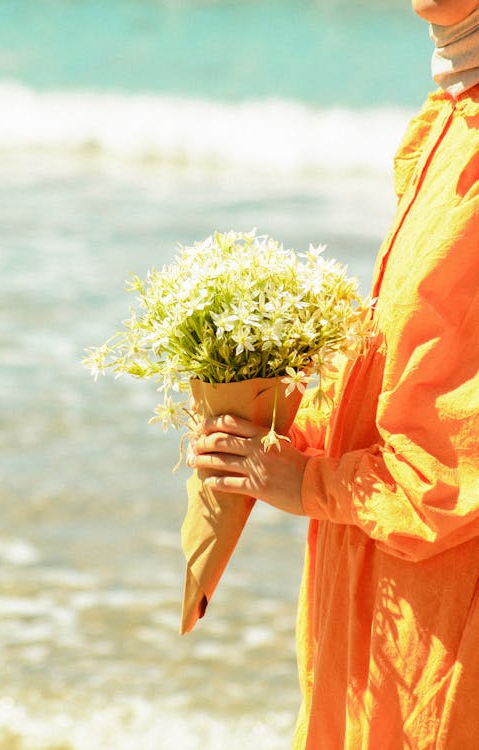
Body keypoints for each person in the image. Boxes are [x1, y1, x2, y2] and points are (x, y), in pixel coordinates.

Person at [189, 0, 479, 747]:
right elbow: (414, 364)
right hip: (382, 609)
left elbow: (456, 466)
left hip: (446, 628)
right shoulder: (452, 113)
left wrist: (308, 483)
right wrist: (275, 427)